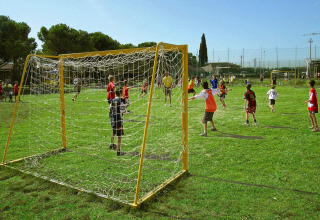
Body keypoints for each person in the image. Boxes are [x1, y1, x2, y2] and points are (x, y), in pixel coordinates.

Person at [109, 89, 126, 156]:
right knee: (119, 136)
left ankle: (111, 144)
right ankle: (118, 151)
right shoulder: (121, 100)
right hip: (119, 120)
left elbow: (110, 109)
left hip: (113, 118)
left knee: (113, 132)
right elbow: (123, 110)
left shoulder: (113, 100)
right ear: (121, 93)